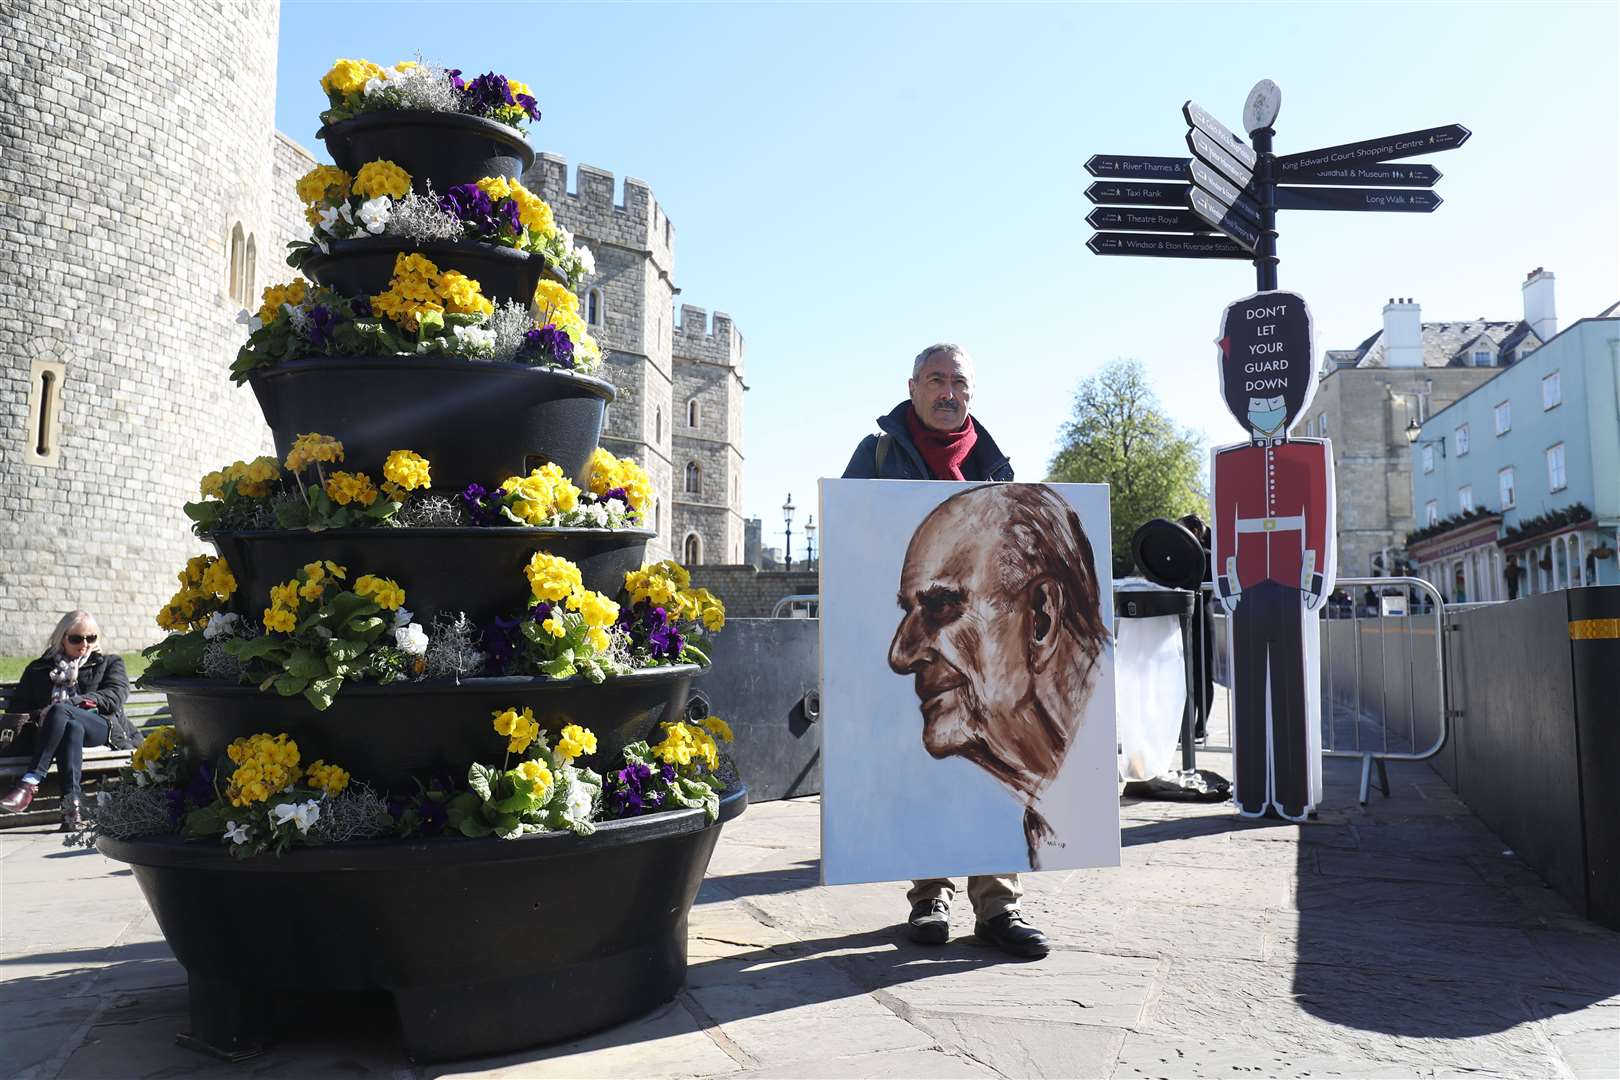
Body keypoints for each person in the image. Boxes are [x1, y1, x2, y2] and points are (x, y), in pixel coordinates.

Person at [841, 343, 1047, 959]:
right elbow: (852, 537)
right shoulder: (876, 455)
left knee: (989, 765)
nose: (947, 392)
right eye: (936, 380)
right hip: (905, 642)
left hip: (981, 647)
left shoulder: (995, 463)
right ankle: (929, 896)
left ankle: (999, 906)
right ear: (912, 386)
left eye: (959, 382)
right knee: (919, 765)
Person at [889, 484, 1111, 866]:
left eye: (941, 606)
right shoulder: (1050, 808)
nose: (900, 655)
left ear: (1041, 618)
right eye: (907, 612)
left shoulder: (1083, 790)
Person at [0, 610, 134, 830]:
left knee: (62, 711)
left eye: (91, 638)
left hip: (100, 727)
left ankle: (29, 783)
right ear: (62, 638)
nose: (85, 644)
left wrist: (70, 704)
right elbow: (19, 710)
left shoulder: (109, 663)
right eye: (76, 638)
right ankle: (71, 812)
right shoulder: (38, 669)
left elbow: (114, 697)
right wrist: (47, 715)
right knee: (70, 727)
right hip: (50, 732)